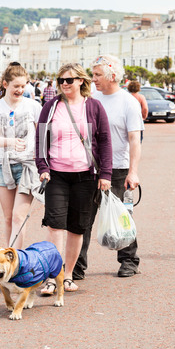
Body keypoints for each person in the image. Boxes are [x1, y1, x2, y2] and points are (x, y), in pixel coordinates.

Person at [35, 63, 112, 293]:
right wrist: (42, 167)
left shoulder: (94, 107)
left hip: (86, 176)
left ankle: (67, 275)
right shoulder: (51, 106)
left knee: (77, 228)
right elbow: (40, 139)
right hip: (56, 175)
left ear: (81, 81)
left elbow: (106, 141)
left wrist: (106, 174)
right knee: (55, 226)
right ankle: (52, 277)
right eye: (61, 81)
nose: (64, 84)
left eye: (69, 80)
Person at [74, 55, 144, 280]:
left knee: (122, 216)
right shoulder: (90, 99)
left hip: (118, 169)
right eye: (92, 74)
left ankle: (129, 260)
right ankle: (77, 265)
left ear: (113, 76)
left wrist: (133, 172)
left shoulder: (128, 102)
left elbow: (135, 139)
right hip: (89, 168)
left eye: (97, 75)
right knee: (83, 218)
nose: (92, 79)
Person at [0, 62, 43, 249]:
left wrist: (43, 162)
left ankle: (17, 260)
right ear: (5, 84)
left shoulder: (33, 106)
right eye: (16, 86)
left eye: (23, 86)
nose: (20, 90)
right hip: (3, 165)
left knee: (19, 216)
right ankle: (9, 256)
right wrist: (11, 142)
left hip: (27, 166)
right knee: (7, 218)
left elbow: (43, 136)